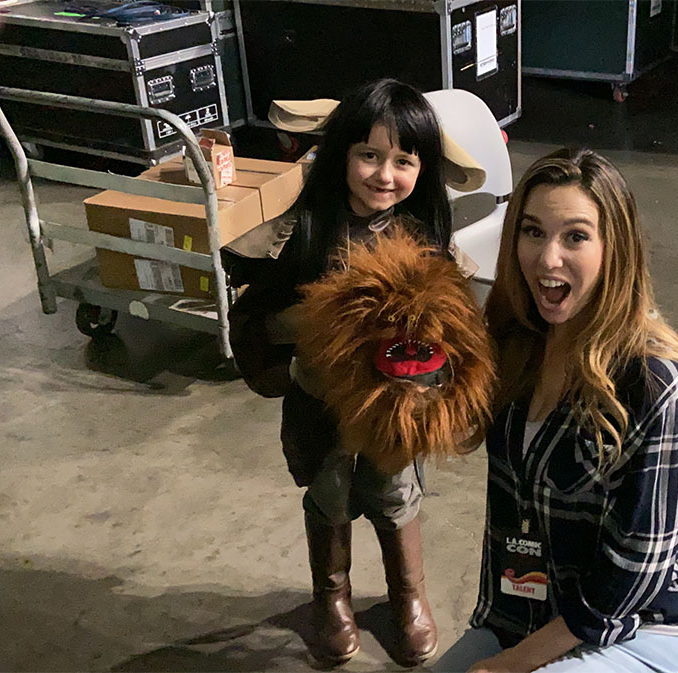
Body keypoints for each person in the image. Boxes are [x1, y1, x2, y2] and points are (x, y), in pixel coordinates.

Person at [434, 148, 678, 673]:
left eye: (575, 236)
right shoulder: (514, 344)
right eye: (532, 231)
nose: (548, 259)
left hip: (642, 624)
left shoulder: (656, 385)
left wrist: (510, 664)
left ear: (616, 248)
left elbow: (630, 574)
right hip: (528, 613)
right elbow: (443, 429)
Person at [229, 78, 452, 668]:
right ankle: (332, 599)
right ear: (343, 155)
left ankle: (409, 596)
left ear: (421, 170)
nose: (384, 175)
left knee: (395, 492)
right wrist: (291, 326)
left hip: (395, 403)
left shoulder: (422, 235)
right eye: (369, 154)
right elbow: (253, 316)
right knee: (328, 494)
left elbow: (454, 327)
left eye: (403, 161)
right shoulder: (301, 232)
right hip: (320, 398)